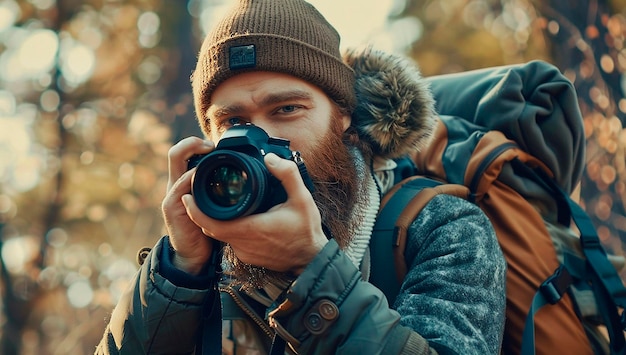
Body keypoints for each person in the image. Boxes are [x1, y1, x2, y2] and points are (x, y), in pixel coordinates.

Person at [96, 0, 506, 353]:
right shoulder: (203, 248)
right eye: (233, 120)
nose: (260, 138)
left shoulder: (443, 227)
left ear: (343, 115)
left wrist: (311, 268)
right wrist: (178, 273)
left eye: (287, 109)